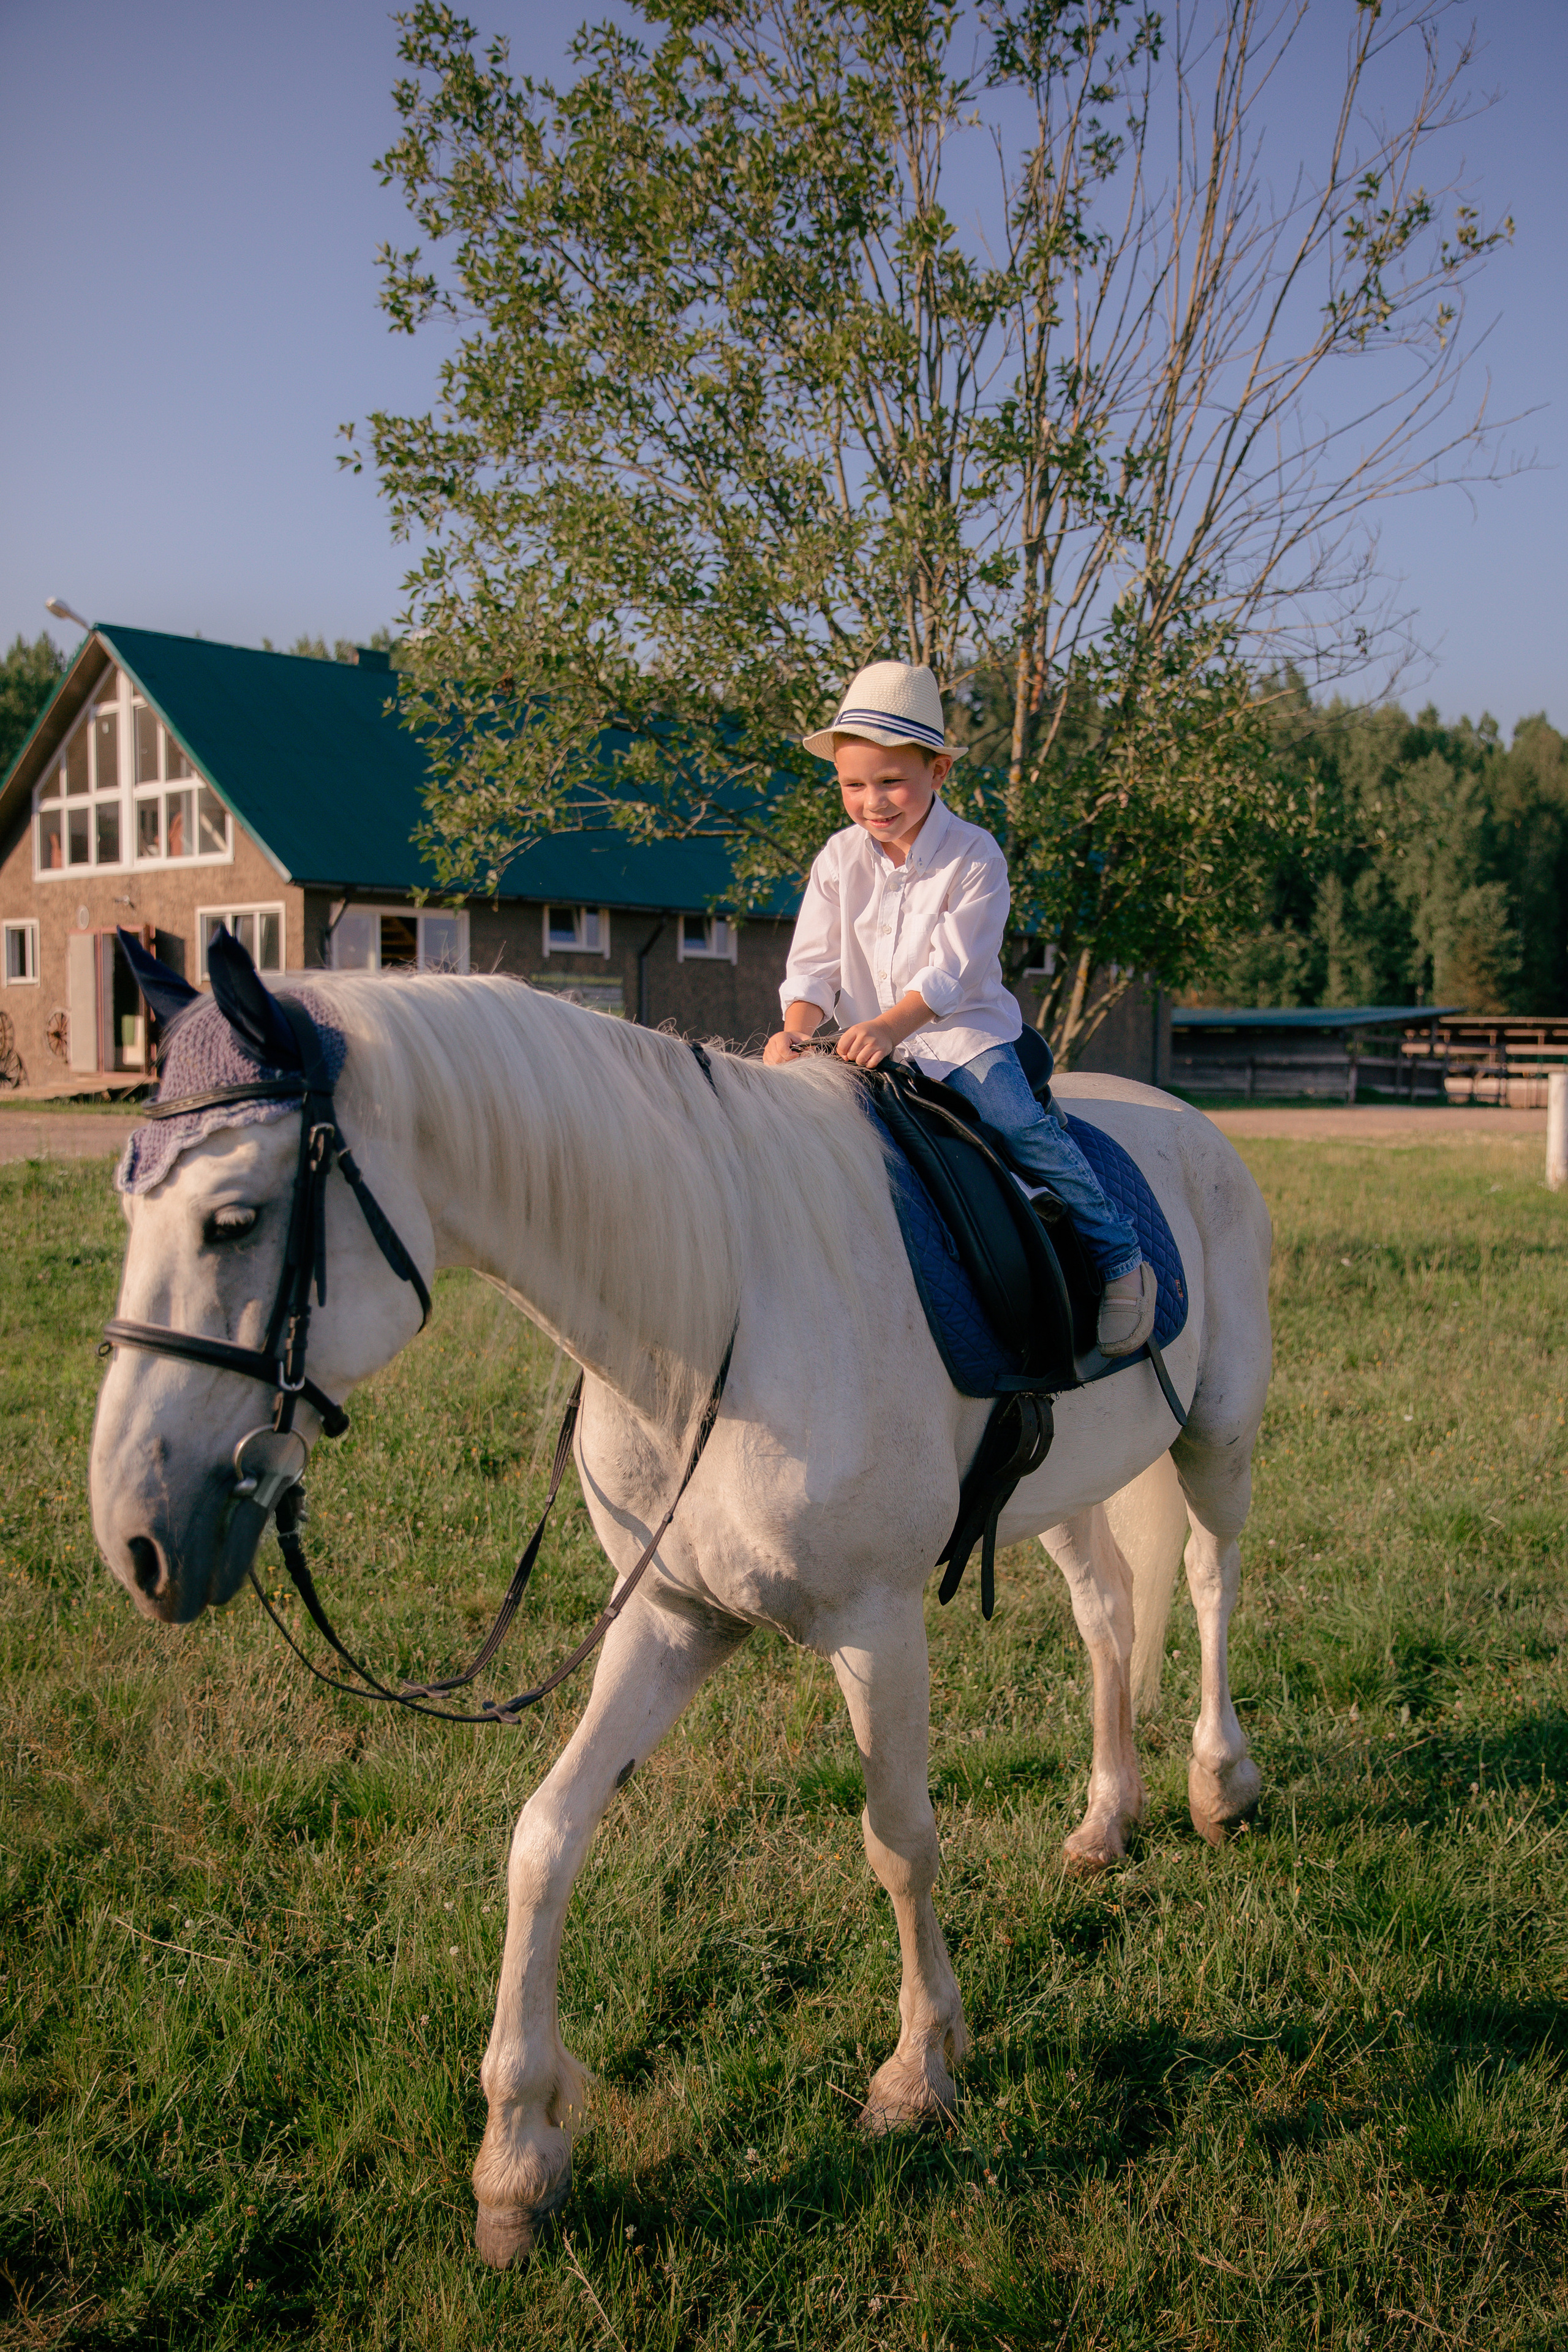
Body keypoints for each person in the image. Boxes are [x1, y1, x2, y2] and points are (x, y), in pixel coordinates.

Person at [764, 660, 1156, 1358]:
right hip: (860, 1041)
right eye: (854, 785)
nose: (873, 801)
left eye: (891, 782)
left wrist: (890, 1025)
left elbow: (954, 969)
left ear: (938, 771)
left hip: (957, 1036)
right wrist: (796, 1029)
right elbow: (815, 962)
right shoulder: (837, 859)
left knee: (1016, 1120)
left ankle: (1117, 1254)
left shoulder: (975, 856)